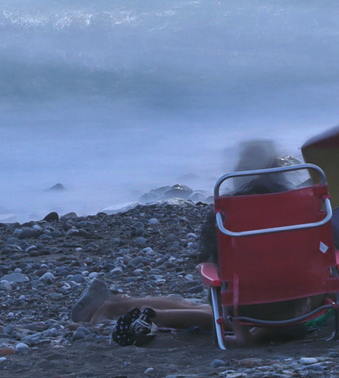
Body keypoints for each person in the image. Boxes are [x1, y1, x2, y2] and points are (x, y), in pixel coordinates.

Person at [71, 141, 325, 347]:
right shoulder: (306, 208)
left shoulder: (230, 213)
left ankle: (120, 308)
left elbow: (208, 264)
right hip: (299, 307)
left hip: (245, 309)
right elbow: (328, 252)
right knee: (198, 307)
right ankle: (117, 307)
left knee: (201, 304)